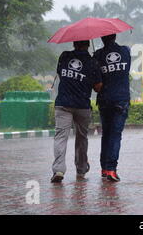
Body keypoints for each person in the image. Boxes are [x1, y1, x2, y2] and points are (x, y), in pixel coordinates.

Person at [51, 40, 103, 183]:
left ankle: (59, 170)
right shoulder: (93, 62)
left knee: (61, 136)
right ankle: (81, 169)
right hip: (82, 105)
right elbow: (98, 87)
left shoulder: (64, 56)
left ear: (74, 43)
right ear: (87, 44)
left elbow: (61, 75)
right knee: (81, 138)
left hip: (63, 104)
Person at [93, 34, 131, 182]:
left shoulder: (98, 55)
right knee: (115, 134)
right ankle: (111, 169)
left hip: (104, 99)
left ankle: (104, 168)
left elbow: (96, 79)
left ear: (101, 39)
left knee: (106, 134)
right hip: (121, 99)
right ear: (115, 36)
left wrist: (97, 57)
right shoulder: (125, 51)